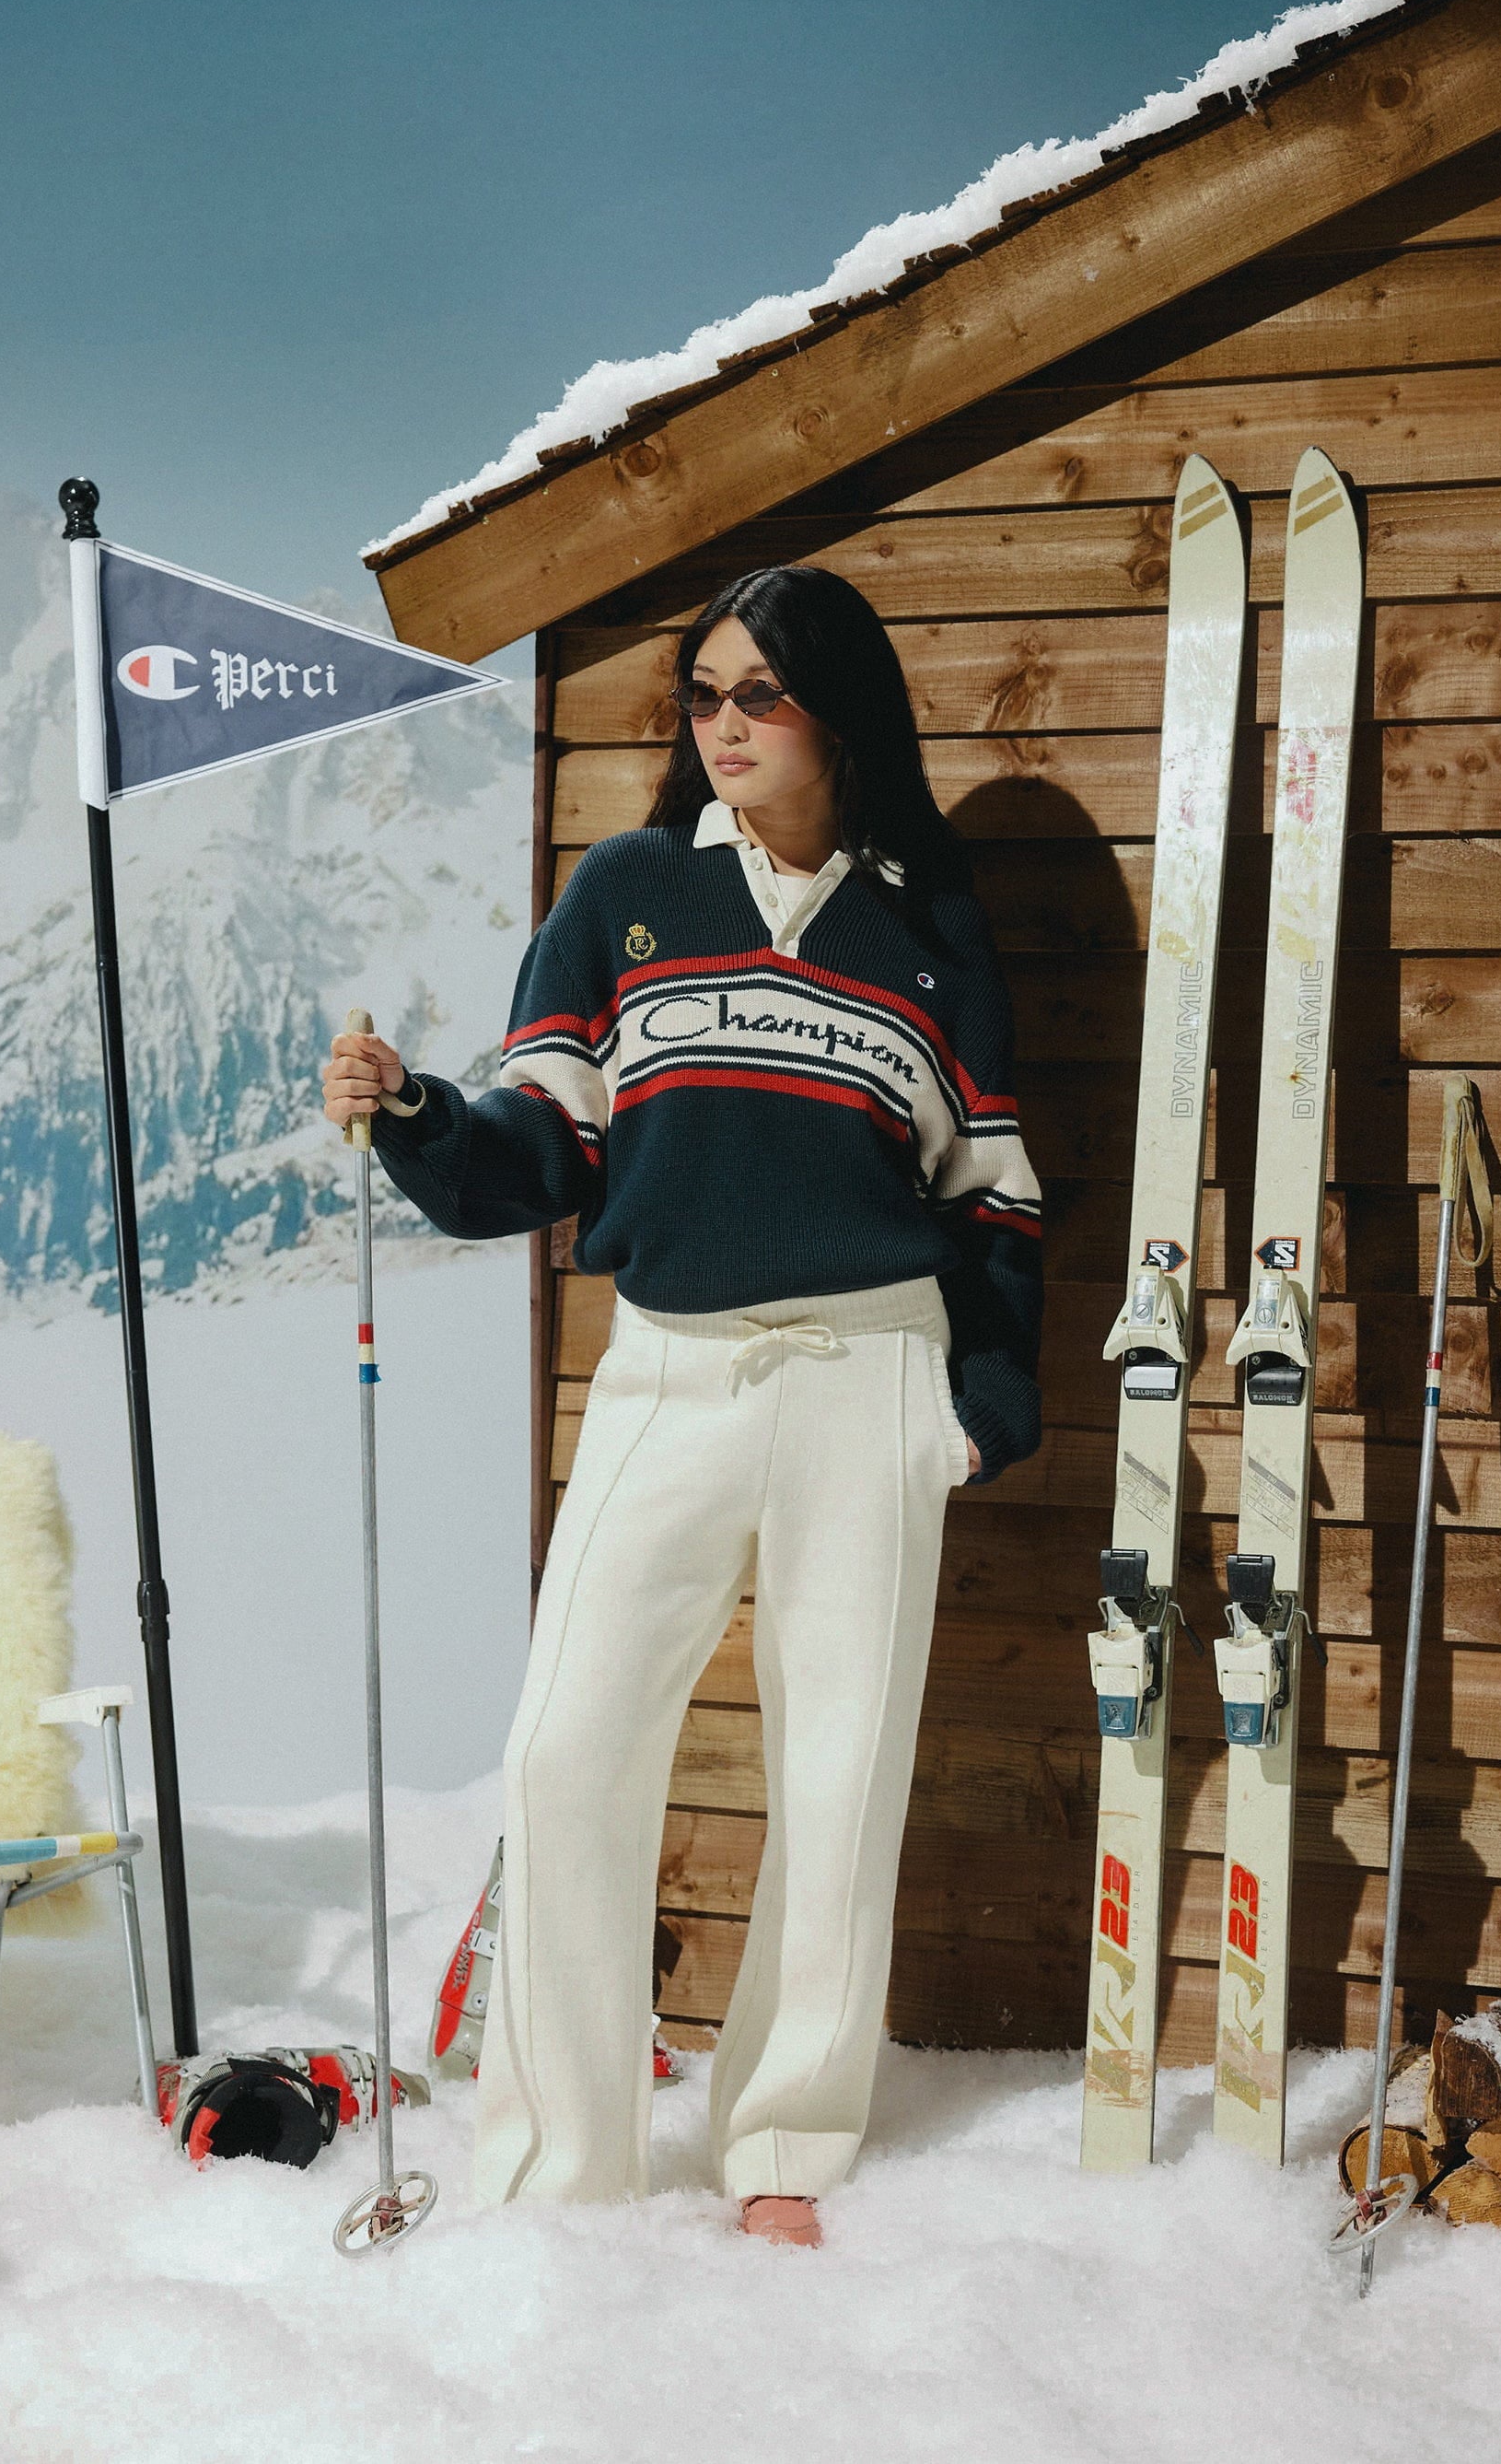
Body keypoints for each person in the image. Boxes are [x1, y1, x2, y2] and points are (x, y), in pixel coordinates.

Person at [321, 564, 1042, 2246]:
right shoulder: (627, 897)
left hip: (871, 1376)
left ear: (837, 716)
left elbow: (993, 1194)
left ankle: (784, 2145)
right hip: (667, 1364)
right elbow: (539, 1144)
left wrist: (980, 1404)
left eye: (757, 695)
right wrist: (420, 1112)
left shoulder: (928, 931)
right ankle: (554, 2160)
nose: (722, 724)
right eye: (702, 695)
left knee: (843, 1769)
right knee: (567, 1747)